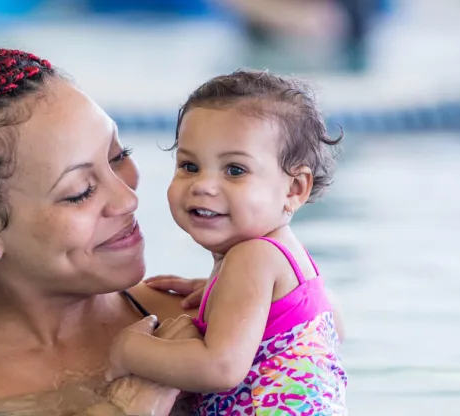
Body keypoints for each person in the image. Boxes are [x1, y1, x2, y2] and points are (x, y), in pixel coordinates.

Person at [0, 9, 351, 416]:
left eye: (119, 157)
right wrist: (127, 400)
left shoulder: (201, 324)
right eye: (79, 191)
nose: (128, 199)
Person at [106, 70, 348, 415]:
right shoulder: (287, 258)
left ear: (294, 189)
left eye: (235, 170)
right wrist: (231, 295)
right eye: (189, 166)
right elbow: (334, 324)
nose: (203, 185)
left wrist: (129, 350)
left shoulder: (253, 257)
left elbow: (220, 368)